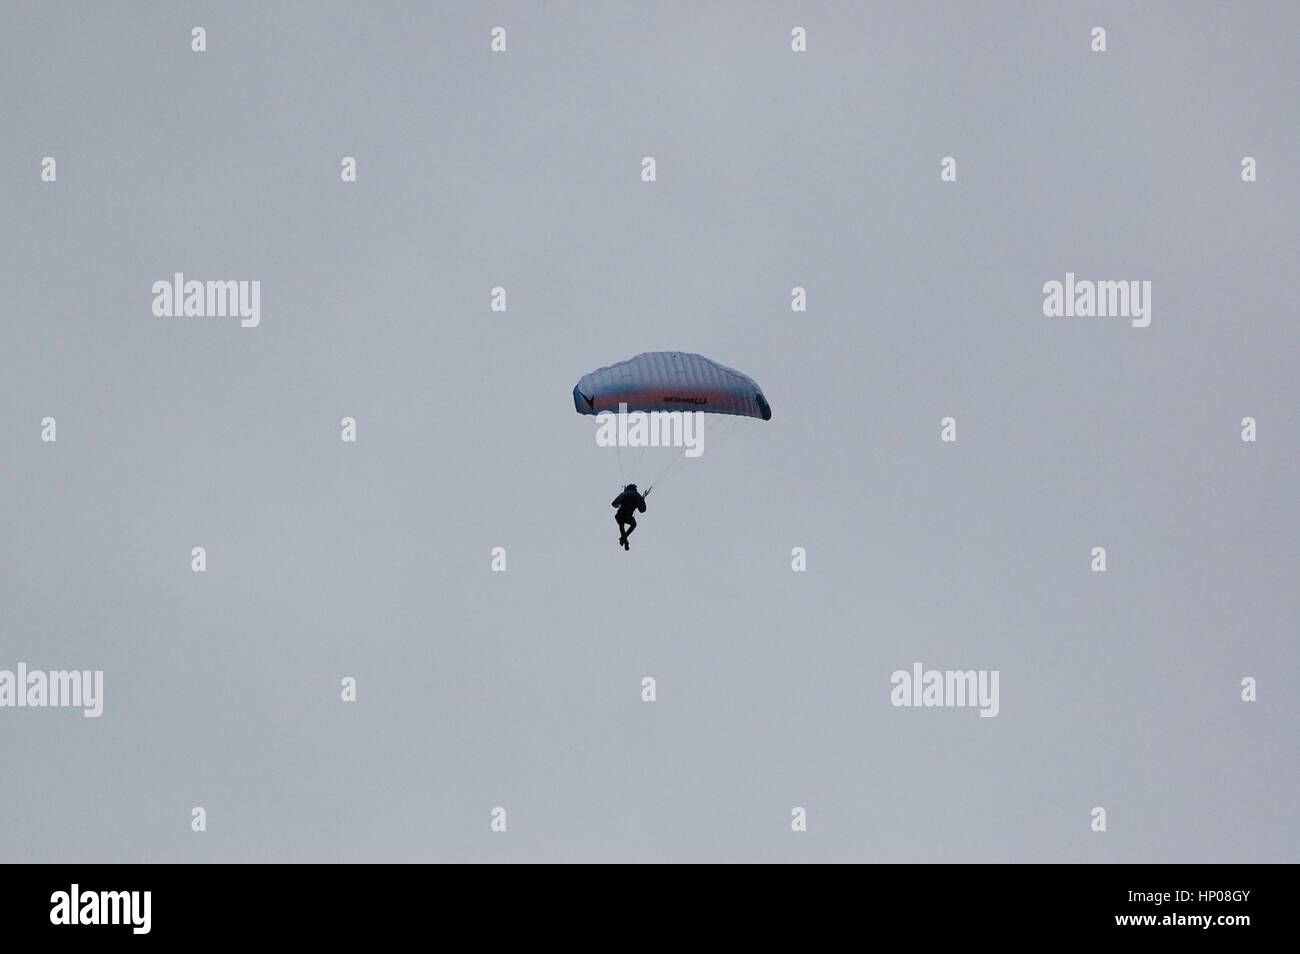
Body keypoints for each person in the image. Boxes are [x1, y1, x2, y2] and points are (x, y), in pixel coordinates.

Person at [611, 484, 647, 550]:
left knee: (621, 524)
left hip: (620, 515)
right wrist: (641, 501)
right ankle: (624, 539)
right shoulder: (638, 496)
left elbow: (614, 503)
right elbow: (642, 510)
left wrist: (618, 504)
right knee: (633, 524)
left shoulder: (625, 493)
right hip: (628, 516)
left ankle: (624, 540)